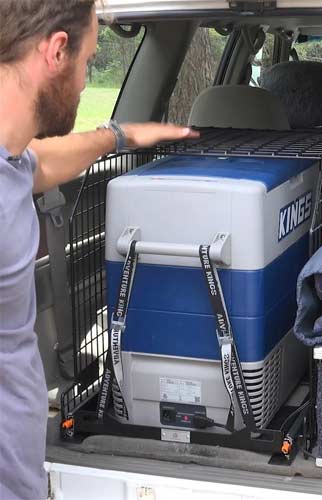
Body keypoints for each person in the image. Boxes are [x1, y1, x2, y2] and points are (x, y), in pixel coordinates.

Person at [0, 1, 198, 498]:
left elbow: (37, 163)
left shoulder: (12, 158)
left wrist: (118, 134)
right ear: (57, 51)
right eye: (88, 61)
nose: (88, 80)